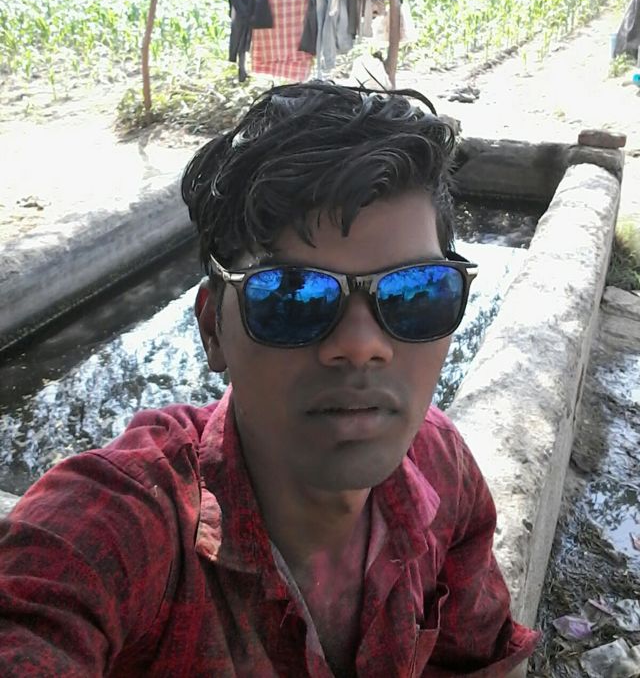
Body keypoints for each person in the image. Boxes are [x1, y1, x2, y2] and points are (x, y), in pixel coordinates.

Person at [0, 82, 539, 676]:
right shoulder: (120, 533)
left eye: (416, 293)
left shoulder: (443, 467)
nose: (361, 346)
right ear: (213, 329)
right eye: (292, 297)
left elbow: (477, 658)